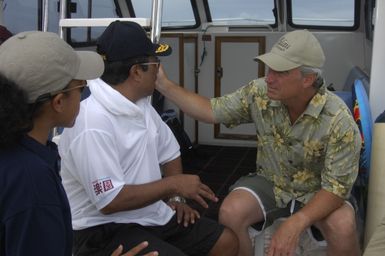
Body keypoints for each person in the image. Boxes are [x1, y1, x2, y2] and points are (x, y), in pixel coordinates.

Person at [155, 29, 362, 256]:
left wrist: (298, 221)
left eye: (280, 71)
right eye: (270, 68)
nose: (269, 78)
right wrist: (165, 85)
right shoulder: (259, 92)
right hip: (272, 182)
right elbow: (212, 111)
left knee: (343, 226)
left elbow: (335, 189)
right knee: (231, 212)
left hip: (319, 191)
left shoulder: (339, 121)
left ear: (308, 79)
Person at [58, 21, 238, 256]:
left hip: (150, 213)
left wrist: (175, 198)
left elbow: (170, 153)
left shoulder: (141, 105)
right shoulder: (92, 123)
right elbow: (110, 202)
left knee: (226, 242)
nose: (160, 70)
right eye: (156, 63)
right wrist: (173, 185)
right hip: (102, 229)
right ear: (136, 72)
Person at [0, 31, 157, 256]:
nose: (84, 95)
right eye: (80, 88)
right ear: (59, 102)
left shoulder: (16, 157)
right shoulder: (33, 184)